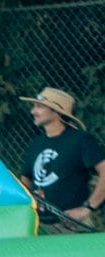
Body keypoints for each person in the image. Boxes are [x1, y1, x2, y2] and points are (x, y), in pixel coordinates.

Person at [22, 86, 105, 228]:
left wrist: (88, 208)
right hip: (39, 225)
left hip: (71, 225)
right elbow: (26, 180)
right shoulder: (35, 144)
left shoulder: (79, 140)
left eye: (39, 107)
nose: (33, 111)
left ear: (57, 112)